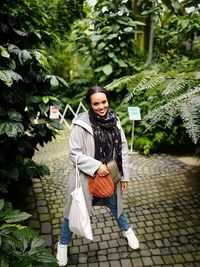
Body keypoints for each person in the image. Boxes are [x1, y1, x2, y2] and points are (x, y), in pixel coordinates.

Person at [56, 86, 139, 266]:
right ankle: (62, 244)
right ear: (90, 104)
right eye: (96, 103)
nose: (101, 107)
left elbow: (123, 149)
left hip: (109, 175)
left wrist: (124, 177)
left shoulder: (114, 120)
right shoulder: (81, 123)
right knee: (73, 210)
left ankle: (127, 231)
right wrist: (95, 166)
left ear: (108, 101)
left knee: (116, 206)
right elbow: (74, 154)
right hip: (86, 177)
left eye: (104, 102)